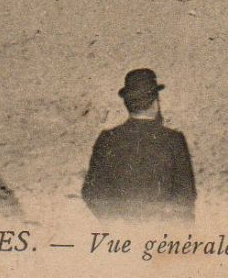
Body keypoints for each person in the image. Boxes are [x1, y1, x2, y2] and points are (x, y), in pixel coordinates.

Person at [81, 69, 197, 221]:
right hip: (163, 237)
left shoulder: (107, 140)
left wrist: (116, 223)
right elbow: (186, 197)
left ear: (127, 103)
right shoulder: (174, 140)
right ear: (155, 103)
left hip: (121, 240)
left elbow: (92, 193)